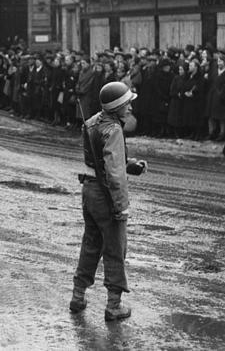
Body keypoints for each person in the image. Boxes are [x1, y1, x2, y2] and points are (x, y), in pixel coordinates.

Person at [70, 81, 147, 321]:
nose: (131, 108)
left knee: (91, 244)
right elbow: (113, 174)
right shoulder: (114, 129)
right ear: (118, 107)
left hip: (89, 191)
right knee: (115, 249)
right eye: (128, 104)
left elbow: (100, 161)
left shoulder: (91, 121)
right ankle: (114, 306)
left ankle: (78, 296)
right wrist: (120, 206)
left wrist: (129, 165)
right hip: (106, 196)